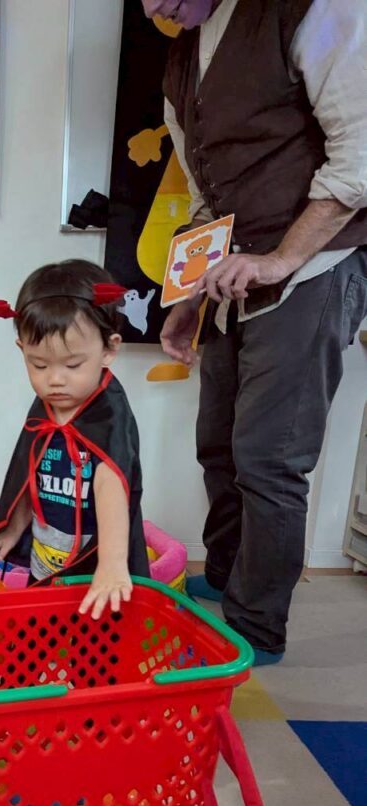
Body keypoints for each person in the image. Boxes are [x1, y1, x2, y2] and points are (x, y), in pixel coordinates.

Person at [141, 0, 367, 664]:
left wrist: (281, 259)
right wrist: (188, 299)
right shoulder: (181, 57)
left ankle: (256, 627)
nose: (153, 7)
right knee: (218, 443)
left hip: (313, 268)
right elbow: (206, 195)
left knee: (270, 457)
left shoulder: (310, 9)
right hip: (231, 277)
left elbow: (359, 156)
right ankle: (224, 578)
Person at [0, 259, 149, 619]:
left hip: (93, 561)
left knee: (94, 636)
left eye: (73, 365)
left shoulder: (108, 414)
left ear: (109, 350)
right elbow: (29, 465)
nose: (54, 380)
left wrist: (111, 563)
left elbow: (112, 481)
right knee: (43, 625)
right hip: (46, 555)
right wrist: (14, 526)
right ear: (22, 349)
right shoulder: (47, 402)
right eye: (39, 365)